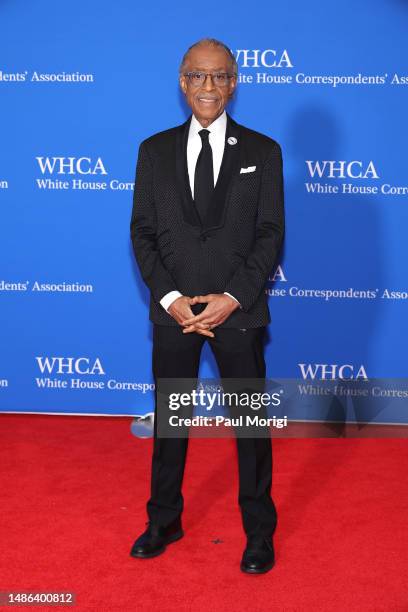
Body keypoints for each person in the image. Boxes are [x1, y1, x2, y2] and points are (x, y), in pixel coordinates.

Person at [129, 38, 284, 574]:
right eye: (198, 76)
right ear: (182, 82)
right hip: (174, 313)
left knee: (248, 426)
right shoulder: (153, 150)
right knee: (172, 422)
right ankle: (163, 519)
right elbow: (143, 234)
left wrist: (233, 297)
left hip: (237, 314)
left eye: (219, 76)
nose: (209, 87)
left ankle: (259, 532)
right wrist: (171, 299)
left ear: (234, 82)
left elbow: (270, 235)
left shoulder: (263, 152)